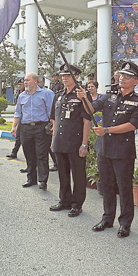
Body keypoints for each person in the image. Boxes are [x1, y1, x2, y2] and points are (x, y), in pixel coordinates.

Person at [77, 61, 138, 238]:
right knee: (107, 186)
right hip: (105, 149)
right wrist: (84, 98)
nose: (122, 78)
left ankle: (125, 223)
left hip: (123, 151)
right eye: (121, 75)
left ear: (136, 81)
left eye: (127, 77)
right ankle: (107, 219)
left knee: (124, 188)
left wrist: (106, 130)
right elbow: (91, 109)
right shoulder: (109, 96)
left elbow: (132, 125)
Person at [50, 64, 91, 216]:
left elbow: (87, 120)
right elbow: (54, 118)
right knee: (62, 173)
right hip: (60, 141)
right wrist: (53, 139)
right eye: (63, 75)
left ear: (77, 77)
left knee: (78, 174)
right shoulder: (59, 95)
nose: (64, 78)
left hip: (75, 142)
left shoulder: (82, 95)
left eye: (68, 75)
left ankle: (77, 204)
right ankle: (64, 200)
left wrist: (84, 144)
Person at [11, 73, 54, 189]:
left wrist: (53, 127)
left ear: (35, 81)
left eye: (28, 80)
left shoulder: (45, 94)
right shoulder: (22, 96)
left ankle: (43, 180)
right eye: (25, 80)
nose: (25, 82)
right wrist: (14, 126)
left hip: (41, 127)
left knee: (41, 154)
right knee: (29, 154)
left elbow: (51, 112)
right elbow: (18, 112)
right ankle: (31, 179)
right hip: (26, 128)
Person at [37, 75, 58, 172]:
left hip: (48, 122)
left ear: (43, 83)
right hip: (39, 123)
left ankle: (56, 163)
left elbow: (52, 108)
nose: (37, 84)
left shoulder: (48, 93)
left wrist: (51, 121)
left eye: (38, 82)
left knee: (50, 145)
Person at [7, 78, 25, 159]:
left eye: (20, 84)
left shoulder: (27, 93)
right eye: (18, 85)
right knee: (18, 136)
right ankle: (14, 152)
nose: (19, 86)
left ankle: (55, 161)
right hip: (20, 117)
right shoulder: (19, 93)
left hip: (26, 118)